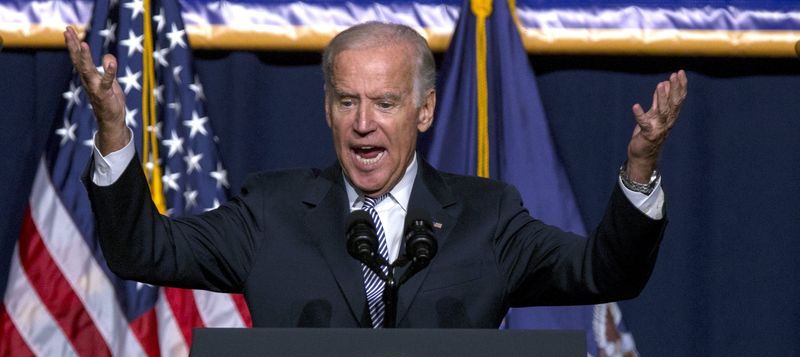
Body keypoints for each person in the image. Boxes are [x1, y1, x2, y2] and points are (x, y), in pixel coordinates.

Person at [63, 22, 687, 328]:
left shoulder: (487, 217)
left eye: (385, 104)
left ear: (424, 111)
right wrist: (116, 131)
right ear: (326, 108)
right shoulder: (270, 211)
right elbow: (142, 249)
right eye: (346, 102)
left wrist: (640, 167)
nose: (363, 124)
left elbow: (607, 272)